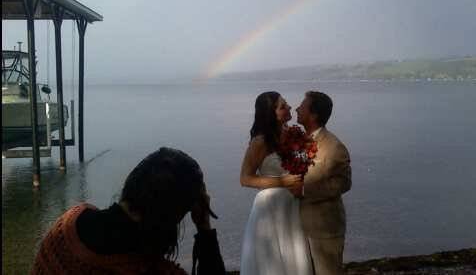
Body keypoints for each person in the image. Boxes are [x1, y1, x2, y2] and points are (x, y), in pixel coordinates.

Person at [31, 147, 226, 275]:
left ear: (132, 181)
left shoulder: (67, 226)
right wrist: (204, 229)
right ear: (173, 215)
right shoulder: (153, 269)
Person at [239, 91, 313, 275]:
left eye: (286, 104)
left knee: (293, 256)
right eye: (282, 106)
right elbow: (245, 178)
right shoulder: (260, 141)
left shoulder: (294, 134)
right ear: (270, 113)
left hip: (292, 207)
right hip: (270, 209)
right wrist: (281, 181)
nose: (289, 107)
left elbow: (305, 166)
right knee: (272, 262)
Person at [296, 91, 352, 275]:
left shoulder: (333, 146)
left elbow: (344, 183)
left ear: (313, 115)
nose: (297, 108)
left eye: (302, 107)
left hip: (324, 229)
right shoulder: (298, 141)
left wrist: (304, 190)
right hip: (297, 227)